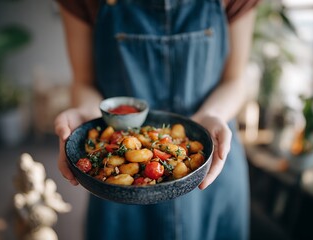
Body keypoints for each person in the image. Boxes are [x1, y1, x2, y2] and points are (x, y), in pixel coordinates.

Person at [54, 0, 259, 239]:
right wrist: (89, 113)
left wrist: (211, 114)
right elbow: (83, 81)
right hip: (120, 193)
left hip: (212, 151)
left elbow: (236, 79)